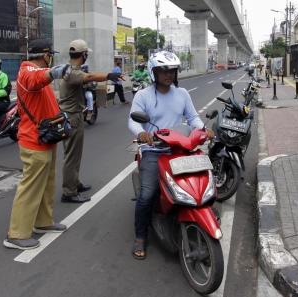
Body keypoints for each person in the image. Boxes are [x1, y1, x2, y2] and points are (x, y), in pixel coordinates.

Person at [127, 51, 216, 260]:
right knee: (147, 194)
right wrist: (141, 133)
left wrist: (204, 129)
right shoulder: (143, 95)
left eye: (172, 70)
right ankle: (140, 236)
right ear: (153, 72)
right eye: (163, 70)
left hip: (181, 148)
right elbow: (133, 121)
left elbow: (192, 117)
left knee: (203, 183)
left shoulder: (182, 93)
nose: (169, 74)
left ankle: (204, 215)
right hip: (154, 150)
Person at [3, 39, 71, 250]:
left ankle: (43, 222)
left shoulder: (39, 75)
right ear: (45, 56)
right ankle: (16, 234)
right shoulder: (27, 72)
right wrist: (52, 73)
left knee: (47, 183)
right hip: (34, 141)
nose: (50, 59)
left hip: (47, 139)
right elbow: (35, 79)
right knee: (31, 187)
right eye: (50, 55)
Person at [58, 39, 125, 203]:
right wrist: (109, 75)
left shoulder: (71, 69)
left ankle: (74, 183)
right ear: (84, 54)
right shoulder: (72, 72)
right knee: (71, 156)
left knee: (75, 154)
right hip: (72, 116)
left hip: (74, 115)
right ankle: (69, 192)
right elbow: (89, 76)